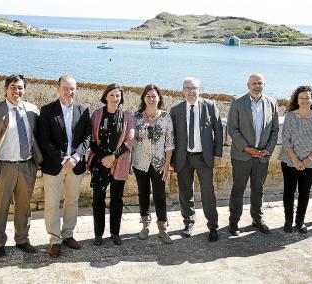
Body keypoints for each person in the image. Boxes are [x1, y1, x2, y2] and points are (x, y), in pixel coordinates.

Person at [0, 74, 43, 258]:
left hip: (27, 166)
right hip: (3, 168)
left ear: (24, 90)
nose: (17, 91)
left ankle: (22, 239)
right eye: (13, 87)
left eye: (20, 87)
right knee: (0, 207)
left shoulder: (32, 110)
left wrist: (37, 164)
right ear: (6, 89)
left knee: (24, 206)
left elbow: (36, 137)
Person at [38, 75, 91, 257]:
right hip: (54, 165)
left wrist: (75, 157)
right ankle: (55, 240)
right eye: (66, 88)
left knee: (72, 201)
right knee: (52, 204)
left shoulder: (83, 110)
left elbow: (87, 138)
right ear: (58, 88)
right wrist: (63, 159)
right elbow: (44, 140)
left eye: (73, 89)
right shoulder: (46, 111)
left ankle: (68, 234)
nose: (70, 92)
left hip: (75, 165)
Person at [170, 77, 223, 242]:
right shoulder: (176, 110)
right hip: (184, 158)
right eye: (188, 88)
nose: (191, 91)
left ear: (200, 90)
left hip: (204, 158)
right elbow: (171, 137)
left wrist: (218, 155)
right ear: (183, 90)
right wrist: (172, 160)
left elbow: (219, 131)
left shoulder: (210, 106)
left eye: (194, 88)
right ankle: (188, 223)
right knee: (185, 193)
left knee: (208, 193)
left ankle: (213, 226)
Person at [227, 73, 279, 236]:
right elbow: (232, 129)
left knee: (258, 190)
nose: (257, 86)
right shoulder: (237, 102)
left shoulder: (272, 103)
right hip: (242, 156)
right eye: (254, 83)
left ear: (264, 85)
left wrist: (268, 150)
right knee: (238, 190)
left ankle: (257, 219)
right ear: (248, 85)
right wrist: (247, 148)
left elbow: (275, 130)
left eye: (260, 83)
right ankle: (234, 222)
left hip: (262, 157)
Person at [88, 84, 134, 246]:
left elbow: (129, 141)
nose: (115, 98)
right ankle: (98, 234)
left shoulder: (128, 116)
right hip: (100, 164)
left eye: (118, 95)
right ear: (106, 96)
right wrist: (103, 158)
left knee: (117, 199)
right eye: (112, 95)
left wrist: (113, 157)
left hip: (119, 162)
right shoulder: (97, 114)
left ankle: (115, 232)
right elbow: (92, 141)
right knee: (98, 199)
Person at [132, 84, 174, 244]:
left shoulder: (166, 117)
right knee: (143, 193)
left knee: (159, 195)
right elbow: (131, 141)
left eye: (154, 96)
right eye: (148, 96)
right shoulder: (135, 117)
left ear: (159, 98)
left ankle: (162, 228)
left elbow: (169, 143)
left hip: (159, 164)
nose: (151, 98)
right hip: (139, 163)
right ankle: (145, 226)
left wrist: (167, 164)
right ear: (144, 98)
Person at [279, 86, 312, 234]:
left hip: (310, 164)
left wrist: (307, 161)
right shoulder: (291, 116)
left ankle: (300, 221)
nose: (304, 100)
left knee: (304, 193)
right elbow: (286, 140)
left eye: (307, 98)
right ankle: (288, 220)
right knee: (289, 192)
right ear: (297, 100)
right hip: (290, 162)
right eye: (301, 98)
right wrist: (296, 161)